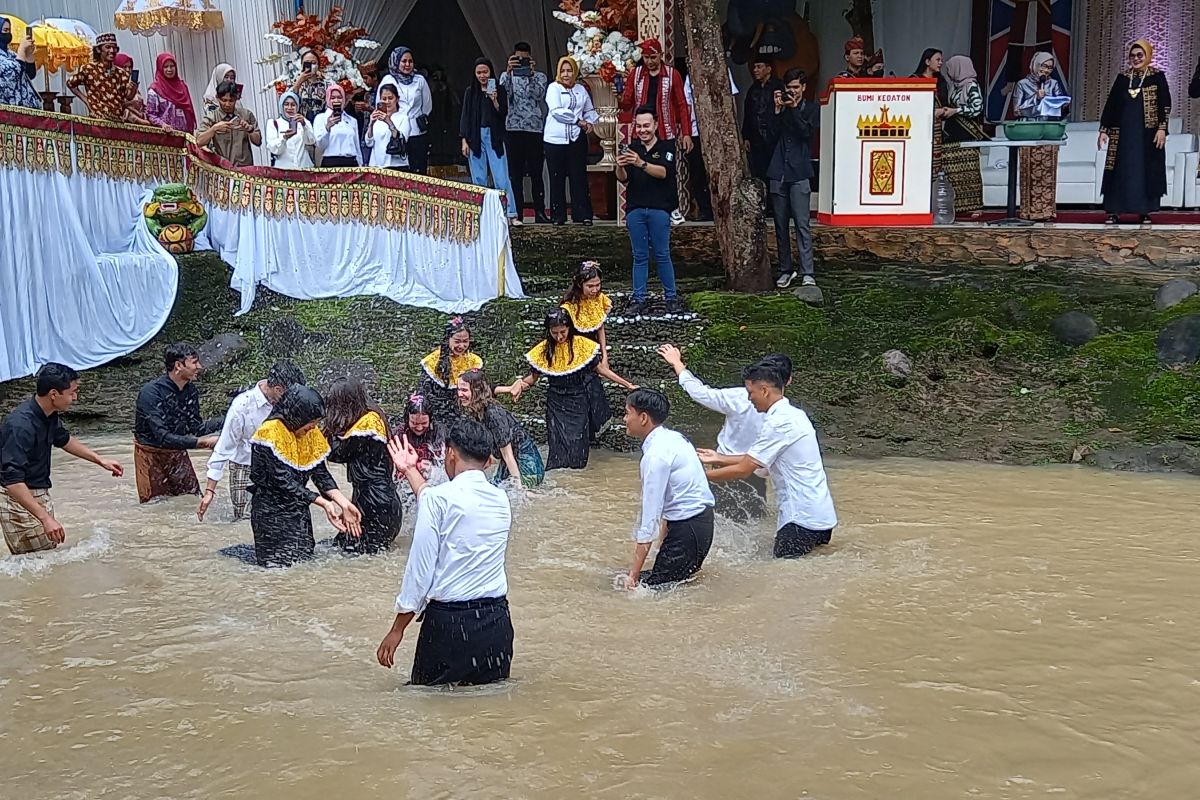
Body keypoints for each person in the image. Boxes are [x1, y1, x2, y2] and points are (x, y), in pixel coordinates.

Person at [377, 418, 514, 687]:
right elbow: (433, 497)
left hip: (451, 626)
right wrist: (410, 469)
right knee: (487, 712)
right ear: (488, 461)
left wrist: (397, 629)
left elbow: (419, 572)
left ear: (450, 453)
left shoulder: (439, 500)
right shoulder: (501, 499)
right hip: (496, 623)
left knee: (429, 709)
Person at [698, 359, 837, 559]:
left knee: (784, 582)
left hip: (799, 521)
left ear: (764, 390)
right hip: (821, 518)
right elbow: (759, 459)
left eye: (750, 393)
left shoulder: (777, 423)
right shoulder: (795, 415)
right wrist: (719, 457)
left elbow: (744, 469)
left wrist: (698, 478)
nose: (749, 399)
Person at [1, 364, 124, 555]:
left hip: (37, 491)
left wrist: (100, 460)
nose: (75, 398)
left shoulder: (48, 415)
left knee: (47, 556)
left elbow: (64, 439)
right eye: (72, 392)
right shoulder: (20, 425)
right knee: (37, 560)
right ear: (53, 394)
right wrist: (45, 519)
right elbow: (12, 481)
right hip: (18, 497)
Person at [658, 344, 784, 521]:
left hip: (725, 470)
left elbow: (700, 393)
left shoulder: (739, 397)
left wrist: (677, 364)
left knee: (718, 523)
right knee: (753, 524)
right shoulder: (788, 416)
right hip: (755, 476)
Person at [505, 309, 636, 470]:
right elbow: (533, 377)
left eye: (563, 332)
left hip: (578, 399)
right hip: (555, 401)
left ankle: (577, 473)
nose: (559, 337)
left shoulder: (581, 345)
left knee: (577, 440)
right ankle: (559, 476)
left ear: (569, 329)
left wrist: (627, 384)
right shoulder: (543, 350)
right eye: (554, 333)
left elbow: (601, 370)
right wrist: (519, 384)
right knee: (556, 440)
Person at [247, 386, 362, 568]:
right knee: (277, 568)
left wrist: (344, 503)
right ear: (296, 416)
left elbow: (320, 473)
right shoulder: (269, 434)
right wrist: (323, 503)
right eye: (310, 424)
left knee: (304, 560)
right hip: (271, 513)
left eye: (315, 424)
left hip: (299, 510)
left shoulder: (309, 432)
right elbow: (284, 482)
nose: (312, 429)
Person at [622, 388, 714, 588]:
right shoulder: (674, 438)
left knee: (648, 591)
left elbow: (650, 517)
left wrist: (633, 575)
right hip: (699, 524)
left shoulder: (656, 456)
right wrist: (661, 544)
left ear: (643, 417)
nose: (624, 419)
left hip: (688, 530)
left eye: (628, 413)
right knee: (671, 585)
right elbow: (671, 500)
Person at [197, 361, 306, 523]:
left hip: (280, 464)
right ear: (278, 389)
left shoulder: (289, 402)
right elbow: (224, 447)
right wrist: (209, 491)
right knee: (244, 520)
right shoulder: (242, 406)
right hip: (244, 465)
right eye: (290, 394)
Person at [133, 343, 222, 504]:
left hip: (177, 453)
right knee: (155, 506)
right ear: (178, 365)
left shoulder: (190, 390)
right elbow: (162, 437)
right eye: (194, 362)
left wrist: (229, 418)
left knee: (192, 499)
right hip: (151, 456)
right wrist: (203, 443)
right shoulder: (151, 393)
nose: (199, 367)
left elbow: (196, 428)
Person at [323, 377, 402, 555]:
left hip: (376, 506)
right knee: (338, 550)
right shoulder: (369, 417)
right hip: (376, 502)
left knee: (349, 557)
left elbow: (337, 453)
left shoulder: (369, 425)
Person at [616, 105, 682, 315]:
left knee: (662, 254)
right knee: (639, 255)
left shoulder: (666, 147)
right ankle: (638, 298)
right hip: (635, 208)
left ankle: (671, 297)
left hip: (659, 209)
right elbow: (623, 178)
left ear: (655, 125)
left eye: (647, 125)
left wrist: (640, 162)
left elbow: (663, 172)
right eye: (639, 126)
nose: (643, 130)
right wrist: (619, 164)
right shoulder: (631, 147)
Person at [1099, 39, 1171, 225]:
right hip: (1122, 134)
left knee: (1146, 170)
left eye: (1140, 55)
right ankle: (1114, 211)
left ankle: (1144, 211)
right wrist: (1104, 130)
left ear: (1148, 56)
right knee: (1119, 170)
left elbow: (1165, 104)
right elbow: (1111, 105)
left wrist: (1162, 128)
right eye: (1132, 55)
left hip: (1147, 135)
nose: (1136, 58)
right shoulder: (1123, 78)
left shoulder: (1157, 76)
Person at [766, 68, 820, 289]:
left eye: (796, 88)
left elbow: (806, 133)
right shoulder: (780, 108)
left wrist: (794, 109)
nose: (792, 92)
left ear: (804, 88)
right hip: (778, 171)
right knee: (780, 225)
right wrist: (778, 111)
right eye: (789, 88)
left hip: (799, 172)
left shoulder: (812, 108)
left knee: (802, 224)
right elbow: (769, 137)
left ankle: (808, 271)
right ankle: (785, 269)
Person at [458, 369, 545, 488]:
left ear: (476, 391)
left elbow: (508, 455)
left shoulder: (494, 415)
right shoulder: (478, 410)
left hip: (527, 464)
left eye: (464, 390)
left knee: (519, 495)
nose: (459, 394)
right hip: (509, 462)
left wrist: (518, 489)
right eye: (458, 389)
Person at [461, 58, 519, 222]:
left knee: (501, 177)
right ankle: (483, 215)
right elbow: (465, 117)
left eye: (485, 72)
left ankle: (510, 213)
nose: (482, 76)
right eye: (479, 73)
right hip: (475, 137)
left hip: (494, 136)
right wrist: (464, 140)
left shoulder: (499, 90)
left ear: (490, 72)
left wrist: (494, 101)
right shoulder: (470, 92)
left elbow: (503, 114)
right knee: (479, 178)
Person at [678, 58, 737, 221]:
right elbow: (686, 105)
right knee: (697, 172)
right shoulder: (691, 75)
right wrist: (687, 133)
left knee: (721, 171)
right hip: (697, 131)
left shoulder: (722, 69)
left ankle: (724, 209)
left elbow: (731, 100)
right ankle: (705, 209)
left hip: (719, 133)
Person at [1014, 52, 1070, 222]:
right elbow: (1016, 110)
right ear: (1035, 65)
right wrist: (1034, 98)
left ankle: (1047, 212)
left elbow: (1058, 108)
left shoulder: (1053, 84)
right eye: (1043, 66)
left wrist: (1062, 104)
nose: (1046, 70)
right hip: (1028, 132)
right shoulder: (1022, 84)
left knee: (1047, 174)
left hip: (1048, 132)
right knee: (1029, 173)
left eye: (1050, 67)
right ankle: (1028, 212)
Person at [544, 56, 598, 225]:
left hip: (576, 139)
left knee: (578, 177)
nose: (566, 74)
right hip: (555, 140)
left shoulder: (581, 89)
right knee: (557, 177)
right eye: (563, 71)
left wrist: (589, 122)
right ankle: (558, 216)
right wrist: (578, 121)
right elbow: (557, 111)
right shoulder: (553, 88)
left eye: (569, 71)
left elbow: (590, 109)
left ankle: (582, 214)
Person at [501, 42, 549, 224]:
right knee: (515, 173)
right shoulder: (507, 76)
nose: (521, 62)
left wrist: (529, 75)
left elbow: (538, 96)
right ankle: (517, 212)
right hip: (513, 128)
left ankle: (540, 211)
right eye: (518, 59)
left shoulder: (540, 77)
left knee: (536, 172)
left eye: (525, 59)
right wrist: (508, 71)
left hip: (534, 128)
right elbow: (503, 95)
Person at [620, 38, 692, 158]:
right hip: (641, 132)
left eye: (653, 57)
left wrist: (686, 133)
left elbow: (682, 105)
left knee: (666, 170)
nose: (649, 61)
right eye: (646, 58)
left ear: (661, 55)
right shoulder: (636, 74)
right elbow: (627, 104)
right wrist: (620, 97)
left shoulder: (672, 74)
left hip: (665, 131)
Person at [940, 55, 987, 216]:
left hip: (967, 133)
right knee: (953, 171)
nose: (948, 72)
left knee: (969, 172)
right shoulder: (956, 86)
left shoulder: (971, 86)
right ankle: (957, 205)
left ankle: (974, 206)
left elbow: (977, 108)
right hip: (954, 131)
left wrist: (956, 111)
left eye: (951, 68)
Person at [378, 46, 433, 174]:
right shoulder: (388, 80)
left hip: (416, 132)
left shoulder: (419, 80)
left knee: (418, 172)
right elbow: (381, 105)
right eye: (403, 61)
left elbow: (427, 106)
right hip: (395, 131)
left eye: (410, 61)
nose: (407, 64)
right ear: (396, 62)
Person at [419, 317, 483, 423]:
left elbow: (482, 388)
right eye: (457, 341)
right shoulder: (432, 362)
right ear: (448, 339)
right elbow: (427, 394)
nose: (461, 346)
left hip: (468, 413)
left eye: (465, 341)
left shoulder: (472, 360)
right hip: (439, 415)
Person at [66, 32, 131, 123]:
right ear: (99, 50)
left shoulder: (122, 73)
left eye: (114, 48)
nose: (112, 50)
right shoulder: (88, 69)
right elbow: (70, 83)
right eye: (108, 47)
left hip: (118, 121)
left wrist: (132, 90)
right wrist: (86, 100)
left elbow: (126, 97)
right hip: (97, 120)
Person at [195, 80, 261, 167]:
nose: (227, 104)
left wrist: (250, 130)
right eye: (224, 100)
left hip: (245, 169)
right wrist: (214, 129)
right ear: (217, 98)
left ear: (236, 98)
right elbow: (199, 142)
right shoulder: (211, 117)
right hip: (222, 170)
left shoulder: (246, 115)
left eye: (231, 101)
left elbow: (258, 142)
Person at [396, 393, 446, 502]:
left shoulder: (439, 434)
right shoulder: (399, 435)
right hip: (405, 487)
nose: (419, 428)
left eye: (424, 423)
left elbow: (446, 469)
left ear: (430, 419)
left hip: (432, 487)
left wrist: (433, 470)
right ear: (407, 419)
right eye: (414, 423)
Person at [741, 56, 784, 181]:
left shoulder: (778, 86)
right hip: (756, 139)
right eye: (754, 67)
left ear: (768, 68)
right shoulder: (752, 89)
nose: (755, 70)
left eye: (759, 67)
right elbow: (748, 114)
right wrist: (746, 137)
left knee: (773, 173)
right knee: (758, 172)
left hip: (774, 136)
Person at [561, 260, 612, 362]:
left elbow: (600, 327)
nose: (595, 290)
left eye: (598, 285)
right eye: (590, 286)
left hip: (593, 347)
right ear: (580, 285)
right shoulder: (569, 306)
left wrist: (604, 355)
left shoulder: (600, 299)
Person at [913, 48, 952, 177]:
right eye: (937, 60)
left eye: (941, 60)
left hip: (936, 132)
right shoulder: (914, 80)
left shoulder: (941, 82)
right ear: (927, 61)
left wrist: (944, 110)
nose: (940, 63)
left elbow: (945, 105)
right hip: (918, 130)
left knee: (934, 168)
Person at [145, 52, 197, 133]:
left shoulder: (182, 86)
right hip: (167, 137)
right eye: (165, 67)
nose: (169, 69)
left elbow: (189, 109)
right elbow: (151, 114)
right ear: (160, 68)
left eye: (172, 66)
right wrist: (162, 125)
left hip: (186, 136)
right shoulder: (155, 90)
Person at [365, 83, 412, 170]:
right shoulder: (377, 118)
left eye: (390, 98)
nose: (387, 102)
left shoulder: (404, 118)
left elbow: (402, 139)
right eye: (384, 99)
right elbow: (369, 143)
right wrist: (371, 124)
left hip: (396, 165)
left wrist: (388, 122)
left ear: (397, 99)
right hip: (376, 165)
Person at [314, 84, 362, 167]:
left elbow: (357, 146)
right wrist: (327, 128)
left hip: (351, 162)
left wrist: (360, 165)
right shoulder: (321, 118)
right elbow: (319, 145)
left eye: (339, 97)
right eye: (332, 98)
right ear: (328, 99)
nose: (336, 100)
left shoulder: (351, 120)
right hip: (331, 161)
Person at [265, 91, 316, 169]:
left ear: (297, 107)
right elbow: (274, 149)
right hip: (284, 171)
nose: (289, 108)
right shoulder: (273, 123)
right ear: (281, 106)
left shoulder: (304, 121)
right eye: (286, 104)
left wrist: (304, 125)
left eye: (293, 105)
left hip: (304, 169)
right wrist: (285, 138)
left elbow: (311, 141)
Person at [0, 18, 40, 110]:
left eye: (9, 30)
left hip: (26, 109)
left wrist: (29, 54)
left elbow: (29, 75)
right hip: (7, 111)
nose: (8, 34)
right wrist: (21, 50)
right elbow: (13, 76)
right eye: (5, 30)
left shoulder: (11, 54)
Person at [113, 53, 153, 126]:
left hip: (144, 125)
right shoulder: (114, 87)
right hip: (128, 127)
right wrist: (141, 122)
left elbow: (142, 106)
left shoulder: (134, 87)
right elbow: (121, 110)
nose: (128, 70)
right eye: (124, 67)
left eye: (130, 67)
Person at [291, 47, 328, 121]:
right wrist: (299, 82)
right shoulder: (293, 82)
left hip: (320, 124)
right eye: (307, 63)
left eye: (313, 63)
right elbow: (288, 101)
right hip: (300, 124)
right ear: (302, 65)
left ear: (318, 65)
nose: (310, 66)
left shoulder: (326, 84)